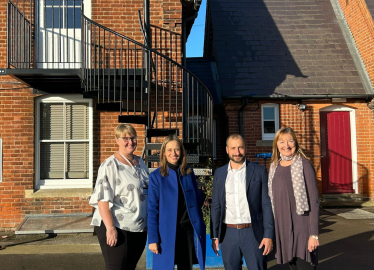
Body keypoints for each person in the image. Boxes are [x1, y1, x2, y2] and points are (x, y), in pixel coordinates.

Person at [89, 124, 149, 270]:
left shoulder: (140, 162)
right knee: (116, 267)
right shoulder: (110, 165)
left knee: (130, 267)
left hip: (138, 227)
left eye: (133, 138)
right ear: (117, 140)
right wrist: (110, 228)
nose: (130, 142)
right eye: (125, 138)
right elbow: (102, 199)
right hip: (117, 226)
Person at [211, 134, 274, 270]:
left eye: (240, 147)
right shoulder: (220, 173)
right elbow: (216, 205)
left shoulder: (259, 171)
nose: (237, 152)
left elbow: (266, 205)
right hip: (228, 233)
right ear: (227, 150)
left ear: (246, 148)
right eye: (233, 148)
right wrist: (214, 235)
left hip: (253, 233)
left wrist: (268, 235)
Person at [147, 134, 206, 270]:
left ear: (182, 151)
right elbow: (152, 210)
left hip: (187, 232)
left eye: (177, 149)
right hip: (166, 233)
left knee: (186, 267)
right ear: (164, 153)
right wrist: (153, 239)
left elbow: (196, 202)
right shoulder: (156, 176)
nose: (173, 153)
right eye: (169, 150)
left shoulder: (189, 173)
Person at [268, 127, 319, 270]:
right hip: (283, 227)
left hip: (303, 228)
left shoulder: (304, 164)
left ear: (295, 143)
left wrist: (314, 234)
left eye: (290, 141)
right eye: (282, 142)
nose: (286, 146)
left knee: (305, 267)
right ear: (276, 145)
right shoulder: (274, 167)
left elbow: (314, 202)